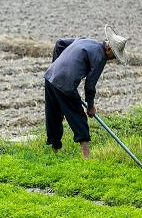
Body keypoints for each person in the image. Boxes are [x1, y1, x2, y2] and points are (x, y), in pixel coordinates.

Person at [43, 25, 129, 158]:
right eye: (115, 55)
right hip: (65, 83)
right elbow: (90, 85)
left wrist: (56, 66)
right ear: (109, 48)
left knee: (53, 114)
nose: (114, 59)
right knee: (78, 116)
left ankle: (54, 150)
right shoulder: (101, 57)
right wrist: (90, 106)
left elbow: (59, 43)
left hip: (50, 77)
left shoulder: (86, 40)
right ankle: (86, 156)